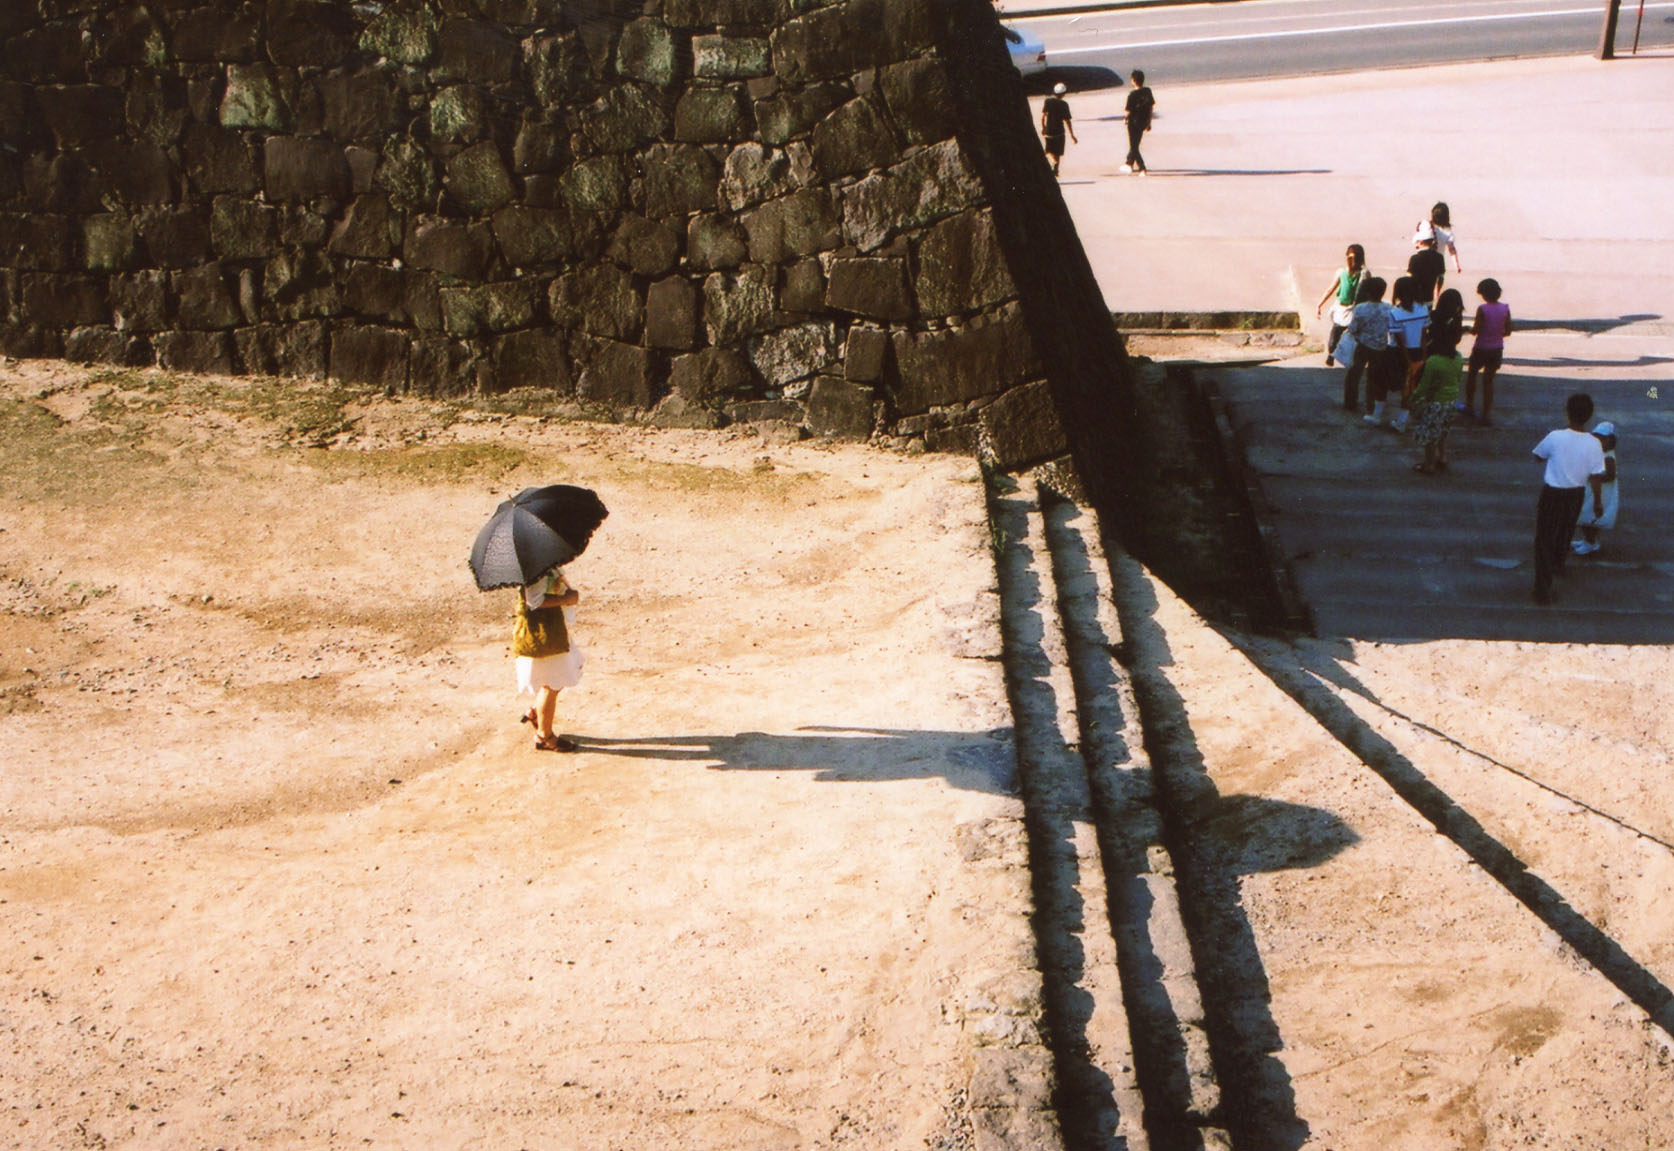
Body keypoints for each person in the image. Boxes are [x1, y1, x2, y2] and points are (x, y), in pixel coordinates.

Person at [1530, 393, 1607, 604]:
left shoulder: (1555, 436)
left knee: (1544, 538)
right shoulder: (1594, 444)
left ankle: (1542, 587)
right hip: (1576, 494)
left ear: (1567, 412)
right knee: (1566, 529)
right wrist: (1598, 503)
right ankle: (1558, 563)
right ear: (1589, 416)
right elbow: (1596, 476)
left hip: (1553, 492)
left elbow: (1537, 456)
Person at [515, 566, 584, 751]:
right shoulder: (535, 569)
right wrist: (565, 599)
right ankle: (544, 736)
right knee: (552, 684)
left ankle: (536, 713)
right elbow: (534, 600)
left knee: (557, 679)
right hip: (545, 636)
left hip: (553, 632)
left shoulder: (545, 563)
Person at [1372, 274, 1428, 429]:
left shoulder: (1395, 313)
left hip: (1396, 353)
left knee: (1381, 383)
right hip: (1417, 352)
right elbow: (1424, 334)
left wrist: (1407, 359)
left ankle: (1377, 415)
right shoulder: (1423, 309)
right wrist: (1422, 356)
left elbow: (1400, 339)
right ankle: (1402, 421)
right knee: (1409, 386)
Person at [1408, 329, 1463, 473]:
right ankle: (1443, 457)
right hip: (1451, 400)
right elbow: (1458, 379)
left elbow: (1424, 386)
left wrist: (1413, 397)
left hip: (1436, 402)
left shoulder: (1433, 361)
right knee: (1443, 431)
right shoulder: (1458, 358)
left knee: (1430, 435)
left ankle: (1429, 464)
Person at [1464, 278, 1512, 425]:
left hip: (1481, 347)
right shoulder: (1505, 308)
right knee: (1488, 382)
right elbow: (1508, 331)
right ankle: (1486, 414)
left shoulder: (1482, 309)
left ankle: (1469, 406)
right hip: (1496, 348)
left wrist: (1467, 329)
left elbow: (1476, 329)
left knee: (1472, 376)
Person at [1339, 275, 1389, 412]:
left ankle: (1350, 402)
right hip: (1380, 347)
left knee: (1354, 374)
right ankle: (1370, 405)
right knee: (1373, 378)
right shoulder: (1389, 309)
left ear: (1368, 292)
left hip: (1363, 345)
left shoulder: (1361, 309)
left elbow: (1353, 328)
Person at [1314, 244, 1368, 367]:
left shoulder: (1346, 272)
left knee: (1338, 334)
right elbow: (1367, 292)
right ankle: (1345, 358)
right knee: (1351, 336)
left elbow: (1330, 290)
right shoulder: (1360, 273)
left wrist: (1320, 304)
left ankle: (1333, 356)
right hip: (1349, 310)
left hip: (1346, 309)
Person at [1572, 421, 1619, 556]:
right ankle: (1587, 540)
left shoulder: (1608, 456)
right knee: (1584, 515)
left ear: (1610, 440)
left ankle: (1591, 543)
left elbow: (1610, 476)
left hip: (1601, 492)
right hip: (1591, 489)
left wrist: (1592, 477)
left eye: (1602, 439)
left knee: (1590, 517)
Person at [1040, 82, 1077, 177]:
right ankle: (1056, 169)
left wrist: (1043, 127)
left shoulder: (1047, 102)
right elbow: (1067, 121)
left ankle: (1054, 164)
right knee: (1058, 152)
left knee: (1049, 150)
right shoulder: (1064, 104)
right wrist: (1072, 135)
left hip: (1049, 131)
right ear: (1063, 94)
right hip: (1060, 132)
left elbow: (1043, 117)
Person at [1425, 202, 1463, 291]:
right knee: (1438, 284)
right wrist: (1457, 266)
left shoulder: (1429, 228)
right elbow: (1452, 250)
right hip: (1439, 261)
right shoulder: (1448, 232)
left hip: (1426, 258)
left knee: (1427, 285)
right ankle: (1436, 298)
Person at [1123, 70, 1155, 174]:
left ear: (1133, 81)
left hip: (1133, 123)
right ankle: (1129, 162)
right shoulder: (1147, 91)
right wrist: (1149, 122)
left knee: (1134, 146)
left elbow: (1128, 111)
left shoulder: (1132, 95)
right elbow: (1151, 108)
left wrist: (1125, 119)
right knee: (1136, 143)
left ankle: (1142, 167)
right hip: (1143, 121)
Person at [1407, 225, 1446, 305]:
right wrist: (1437, 292)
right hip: (1429, 298)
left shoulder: (1415, 258)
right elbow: (1441, 278)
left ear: (1420, 242)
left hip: (1415, 298)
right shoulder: (1439, 257)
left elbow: (1408, 279)